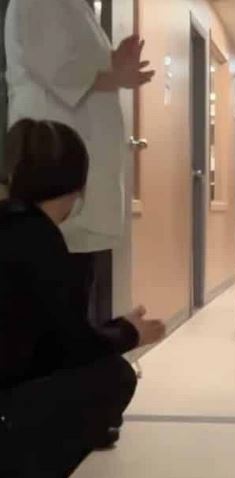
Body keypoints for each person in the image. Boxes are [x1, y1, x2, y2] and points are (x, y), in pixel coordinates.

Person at [0, 119, 166, 477]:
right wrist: (129, 333)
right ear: (79, 185)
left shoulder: (12, 224)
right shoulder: (38, 240)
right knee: (113, 376)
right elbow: (71, 347)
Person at [5, 0, 155, 329]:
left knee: (76, 283)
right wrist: (116, 74)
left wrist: (114, 62)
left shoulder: (77, 7)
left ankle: (86, 358)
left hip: (74, 171)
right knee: (55, 288)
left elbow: (75, 66)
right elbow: (60, 71)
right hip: (54, 159)